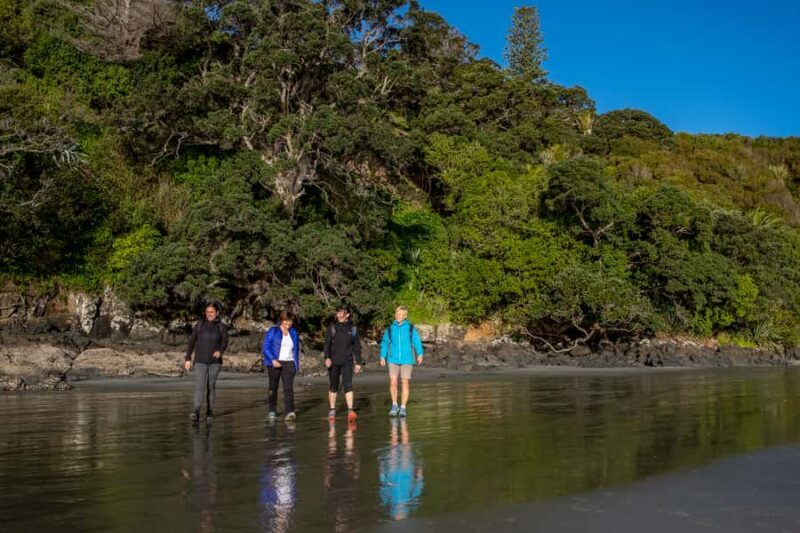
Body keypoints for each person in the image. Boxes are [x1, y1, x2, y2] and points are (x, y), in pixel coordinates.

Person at [184, 302, 228, 422]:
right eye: (207, 312)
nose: (209, 314)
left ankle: (209, 411)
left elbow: (224, 342)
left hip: (215, 362)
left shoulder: (221, 327)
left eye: (212, 312)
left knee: (210, 385)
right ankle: (196, 410)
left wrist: (220, 351)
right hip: (200, 361)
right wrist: (187, 358)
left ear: (217, 313)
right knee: (200, 385)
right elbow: (191, 342)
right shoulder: (199, 326)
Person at [379, 306, 424, 417]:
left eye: (400, 314)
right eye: (397, 314)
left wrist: (420, 354)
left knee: (404, 382)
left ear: (405, 316)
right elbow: (385, 343)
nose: (398, 316)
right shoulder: (390, 328)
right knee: (393, 381)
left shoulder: (410, 328)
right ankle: (394, 405)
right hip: (392, 359)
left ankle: (403, 407)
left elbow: (416, 341)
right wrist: (382, 356)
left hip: (407, 359)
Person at [324, 305, 363, 422]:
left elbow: (356, 347)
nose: (339, 315)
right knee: (333, 385)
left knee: (348, 384)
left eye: (341, 313)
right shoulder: (332, 328)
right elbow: (327, 344)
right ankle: (332, 409)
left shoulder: (353, 329)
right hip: (334, 361)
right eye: (338, 313)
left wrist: (358, 362)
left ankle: (350, 410)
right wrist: (327, 357)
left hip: (347, 361)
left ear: (347, 314)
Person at [262, 310, 301, 422]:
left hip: (289, 363)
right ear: (281, 321)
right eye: (286, 322)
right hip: (274, 363)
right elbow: (266, 348)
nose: (288, 325)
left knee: (288, 388)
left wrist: (295, 365)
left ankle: (290, 411)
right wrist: (273, 360)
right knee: (273, 388)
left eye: (290, 323)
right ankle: (272, 410)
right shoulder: (273, 331)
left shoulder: (293, 332)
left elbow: (296, 350)